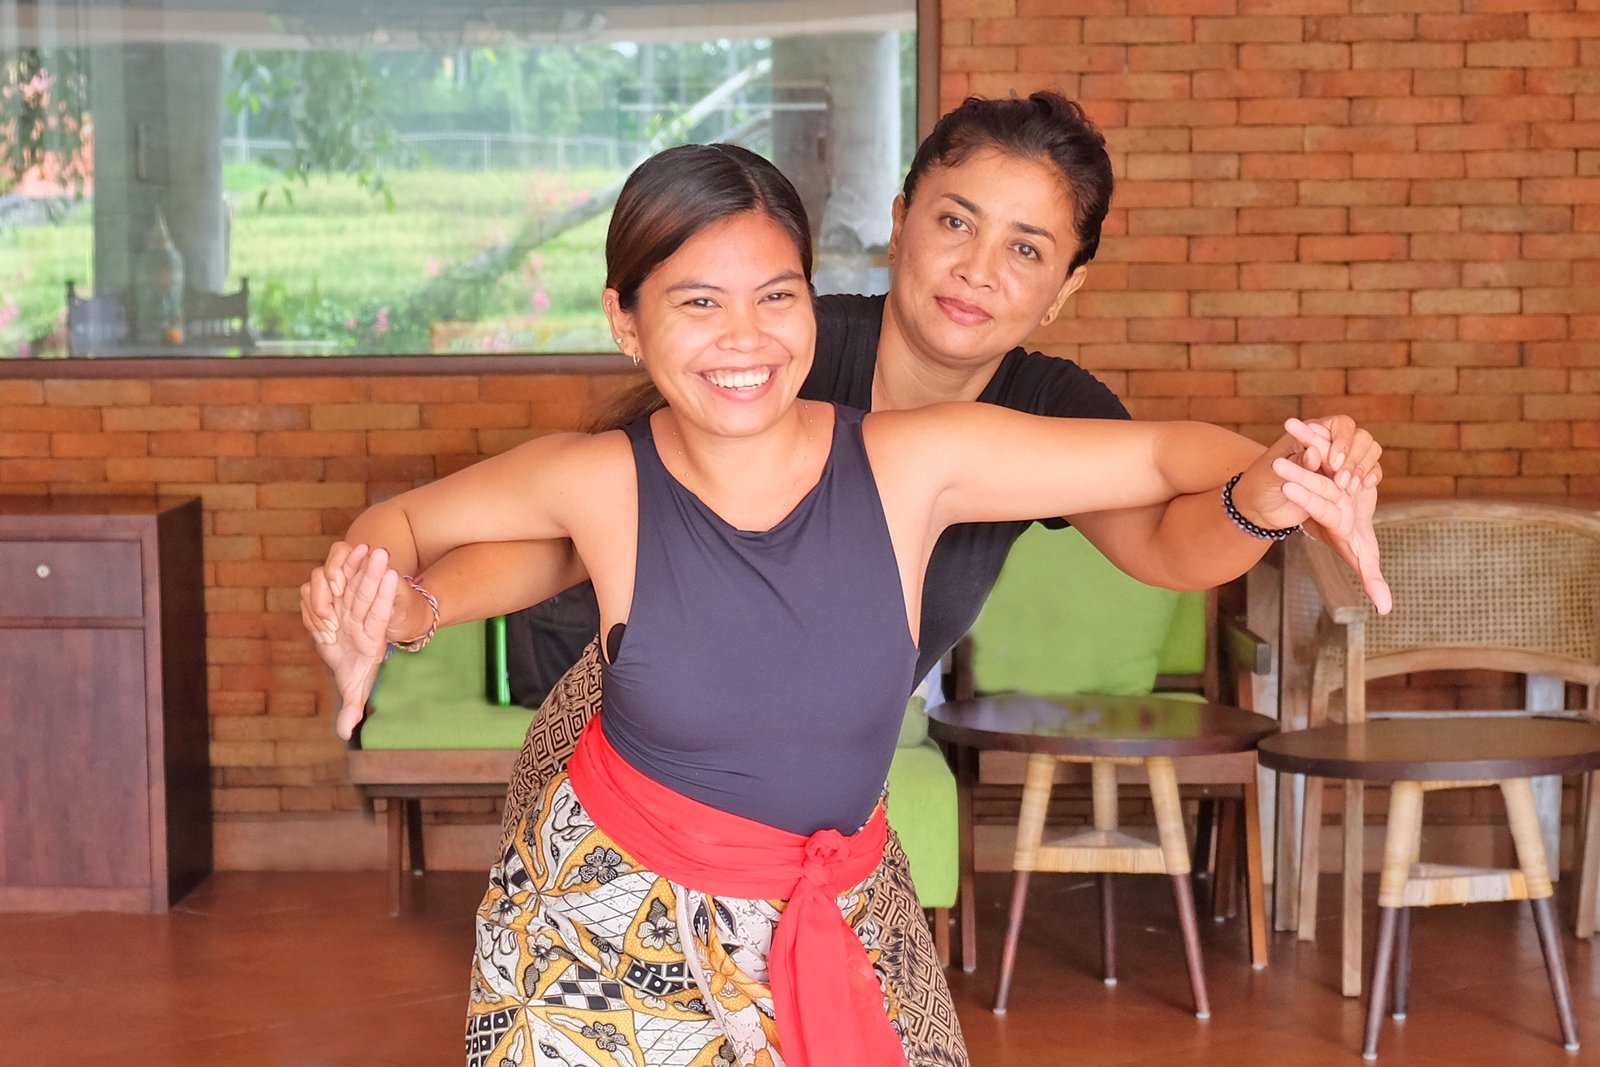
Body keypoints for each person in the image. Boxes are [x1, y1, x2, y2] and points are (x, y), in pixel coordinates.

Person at [306, 93, 1388, 1066]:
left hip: (822, 794)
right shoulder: (764, 355)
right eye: (956, 221)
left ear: (1065, 286)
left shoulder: (976, 428)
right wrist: (411, 606)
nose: (975, 268)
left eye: (1025, 247)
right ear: (900, 215)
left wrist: (1284, 475)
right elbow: (564, 528)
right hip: (644, 749)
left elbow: (1165, 521)